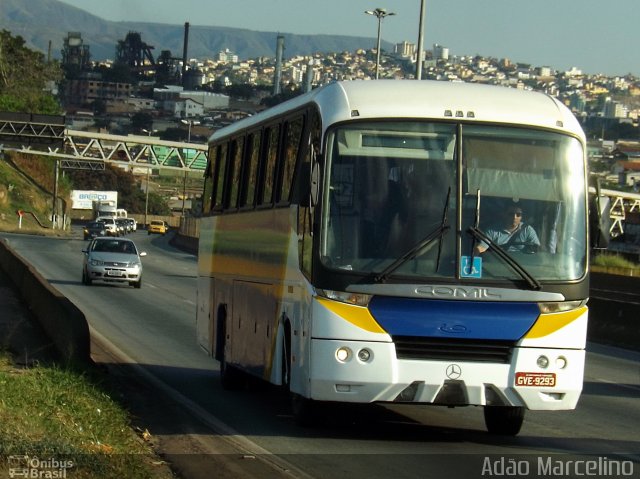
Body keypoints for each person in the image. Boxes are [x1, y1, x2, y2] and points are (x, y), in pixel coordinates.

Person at [475, 204, 540, 254]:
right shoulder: (492, 230)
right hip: (498, 265)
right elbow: (481, 248)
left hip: (522, 267)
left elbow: (536, 250)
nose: (514, 217)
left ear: (521, 217)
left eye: (518, 214)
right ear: (504, 214)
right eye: (511, 214)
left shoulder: (528, 229)